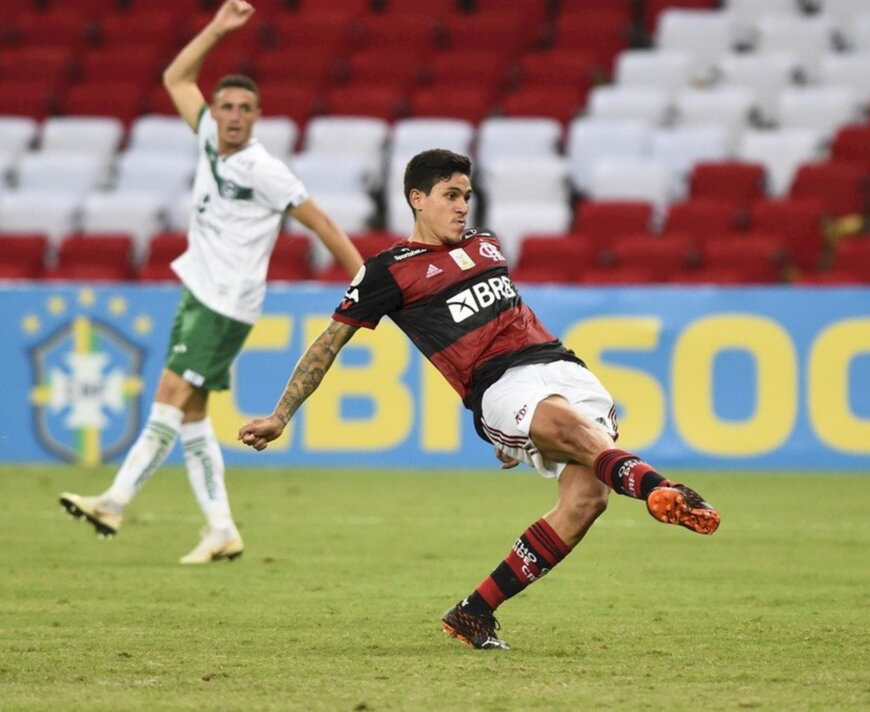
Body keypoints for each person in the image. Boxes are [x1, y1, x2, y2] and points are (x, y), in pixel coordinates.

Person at [237, 148, 719, 648]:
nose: (463, 206)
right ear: (417, 199)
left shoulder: (487, 244)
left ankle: (474, 612)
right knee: (574, 432)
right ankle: (664, 489)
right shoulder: (387, 272)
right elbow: (327, 343)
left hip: (563, 366)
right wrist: (280, 414)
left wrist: (522, 435)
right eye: (451, 195)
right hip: (500, 385)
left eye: (467, 195)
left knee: (586, 500)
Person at [59, 0, 364, 564]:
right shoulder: (205, 136)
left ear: (256, 117)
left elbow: (321, 222)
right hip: (199, 291)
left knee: (168, 396)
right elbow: (175, 77)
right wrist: (218, 29)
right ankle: (221, 528)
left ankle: (114, 501)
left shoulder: (266, 170)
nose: (232, 115)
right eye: (225, 105)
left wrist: (366, 281)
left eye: (244, 108)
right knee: (192, 414)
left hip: (225, 303)